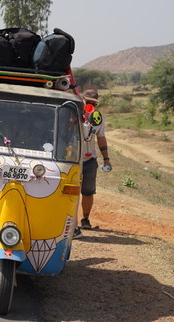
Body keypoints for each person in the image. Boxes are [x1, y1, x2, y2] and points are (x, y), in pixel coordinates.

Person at [73, 89, 112, 239]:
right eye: (87, 101)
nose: (90, 104)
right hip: (72, 160)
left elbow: (101, 138)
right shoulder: (72, 113)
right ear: (81, 99)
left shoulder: (98, 118)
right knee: (71, 191)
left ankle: (85, 219)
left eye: (93, 103)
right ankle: (70, 222)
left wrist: (106, 158)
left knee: (88, 192)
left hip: (90, 160)